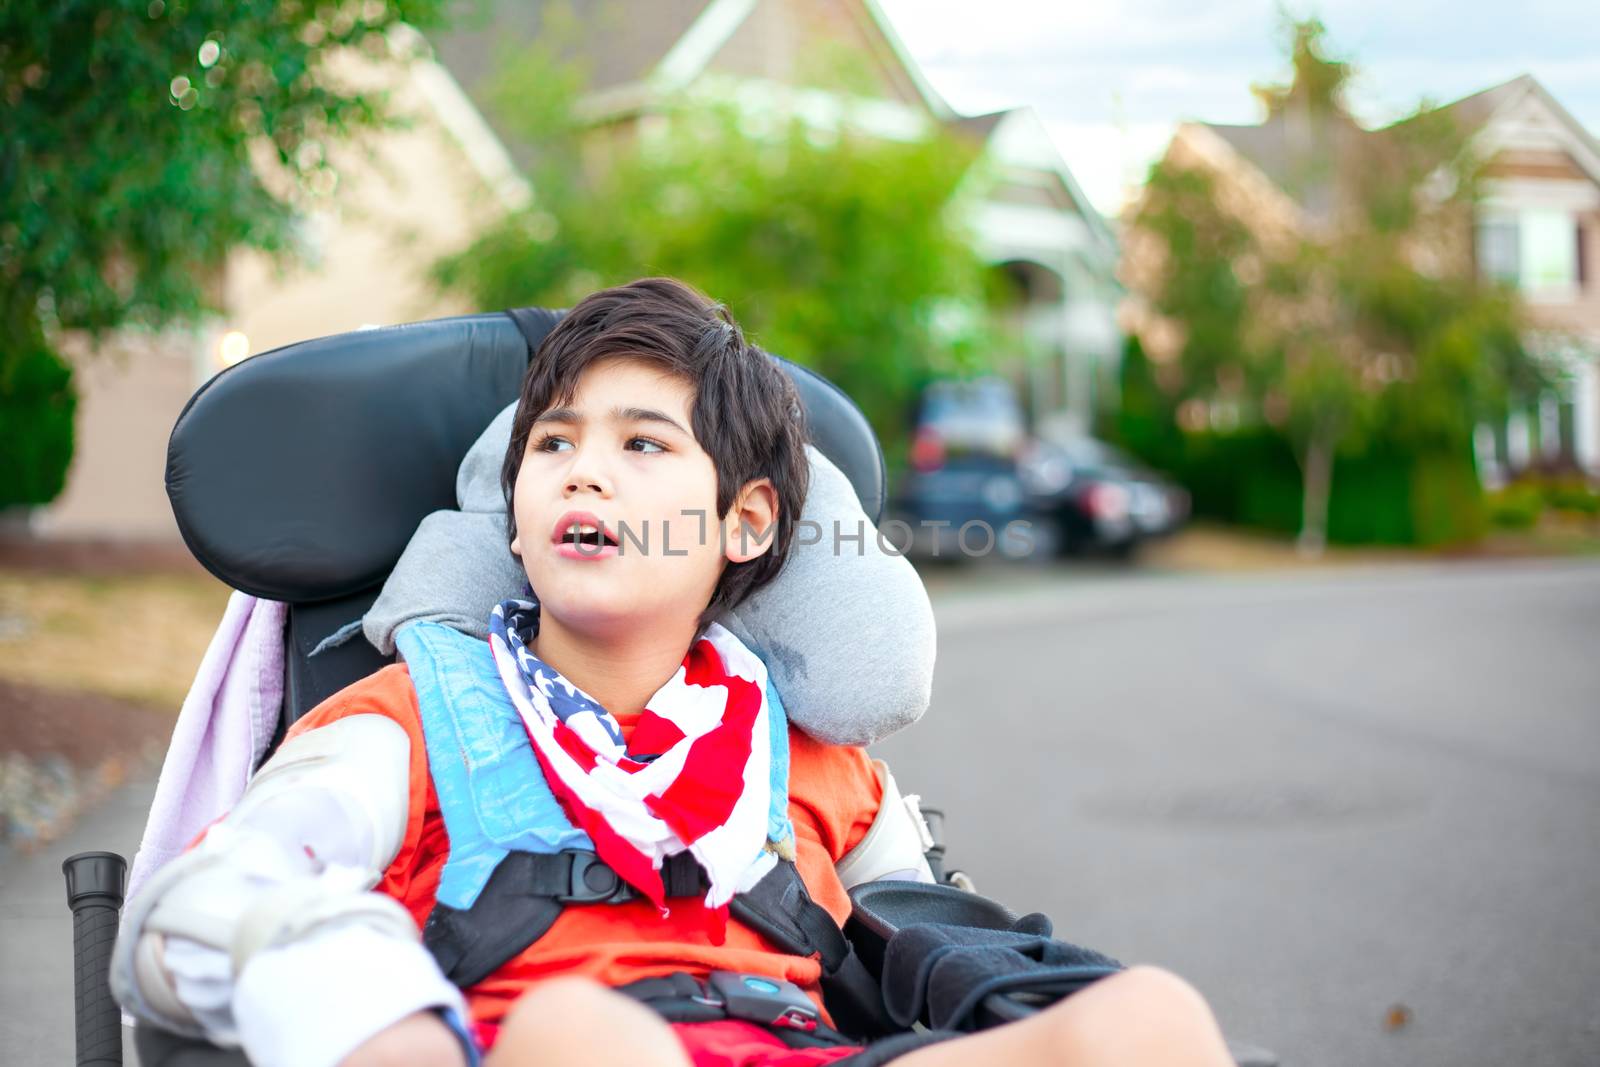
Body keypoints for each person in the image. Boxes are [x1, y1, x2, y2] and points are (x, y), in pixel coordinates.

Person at [114, 278, 1234, 1067]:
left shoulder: (810, 761)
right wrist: (376, 1010)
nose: (582, 472)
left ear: (745, 524)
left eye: (641, 444)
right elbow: (201, 904)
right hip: (540, 1040)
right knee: (586, 1038)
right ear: (513, 513)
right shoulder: (406, 722)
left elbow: (939, 932)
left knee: (1147, 1019)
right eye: (552, 445)